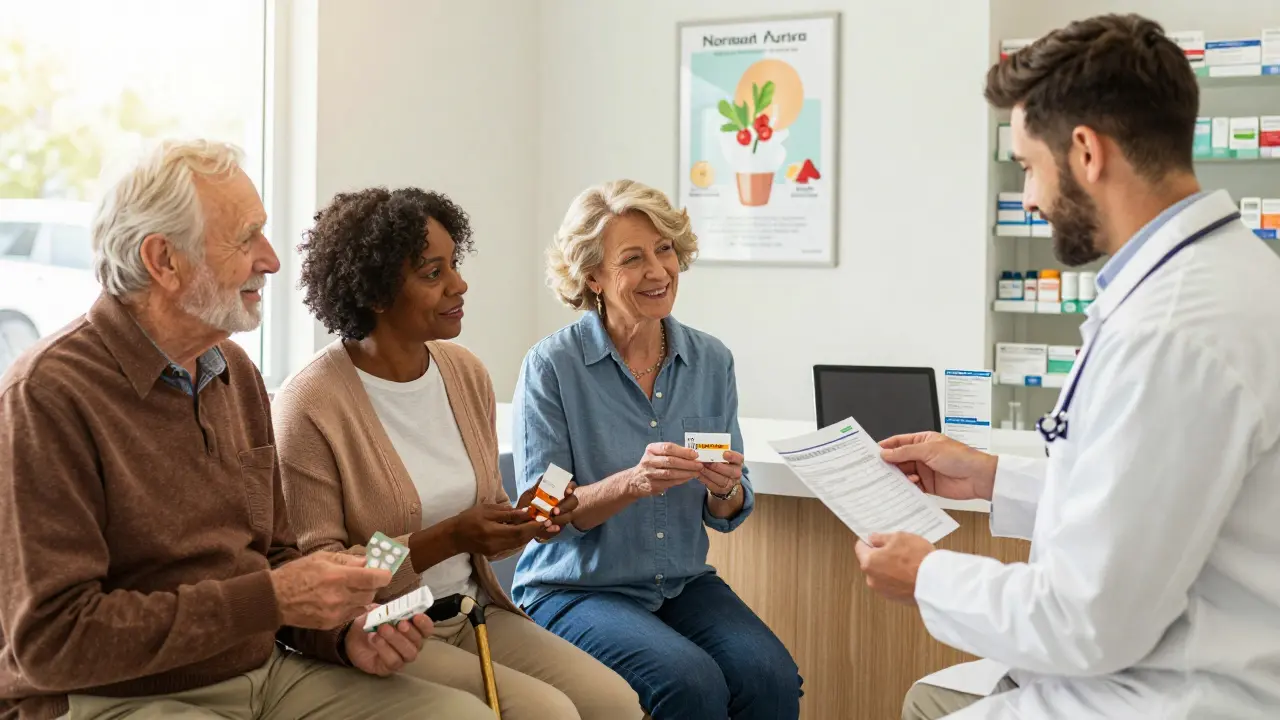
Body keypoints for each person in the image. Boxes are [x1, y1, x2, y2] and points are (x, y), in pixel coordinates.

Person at [852, 15, 1280, 720]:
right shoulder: (1221, 279)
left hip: (1173, 695)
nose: (1028, 198)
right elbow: (1145, 493)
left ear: (1085, 152)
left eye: (1027, 166)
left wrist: (926, 575)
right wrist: (994, 477)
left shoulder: (1170, 330)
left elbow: (1089, 620)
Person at [0, 142, 496, 719]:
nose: (271, 259)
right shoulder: (47, 396)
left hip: (278, 665)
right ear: (163, 260)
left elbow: (281, 561)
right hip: (119, 693)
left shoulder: (233, 370)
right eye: (246, 237)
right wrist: (276, 598)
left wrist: (342, 635)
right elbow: (51, 642)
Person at [273, 186, 644, 720]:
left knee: (618, 705)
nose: (459, 284)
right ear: (376, 294)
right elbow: (324, 571)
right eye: (433, 273)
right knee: (547, 712)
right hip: (389, 629)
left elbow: (483, 509)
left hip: (476, 610)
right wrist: (442, 540)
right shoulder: (310, 405)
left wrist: (525, 519)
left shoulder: (463, 372)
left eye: (455, 264)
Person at [511, 179, 802, 719]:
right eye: (633, 259)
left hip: (680, 584)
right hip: (577, 590)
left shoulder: (711, 361)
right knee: (689, 685)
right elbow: (542, 513)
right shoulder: (552, 367)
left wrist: (726, 490)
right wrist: (632, 482)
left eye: (665, 250)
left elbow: (727, 511)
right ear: (592, 275)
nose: (658, 271)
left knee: (772, 678)